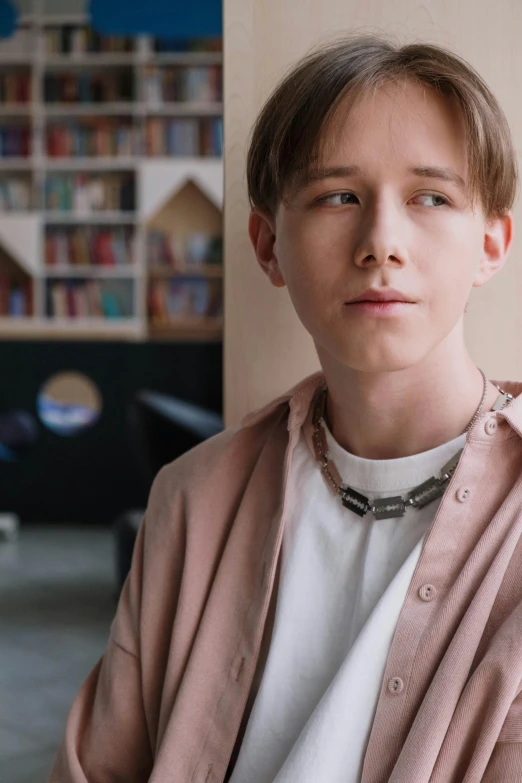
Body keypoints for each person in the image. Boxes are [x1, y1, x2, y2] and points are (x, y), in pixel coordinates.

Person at [48, 32, 522, 783]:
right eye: (339, 196)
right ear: (268, 245)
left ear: (492, 243)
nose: (381, 243)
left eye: (431, 197)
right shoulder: (192, 497)